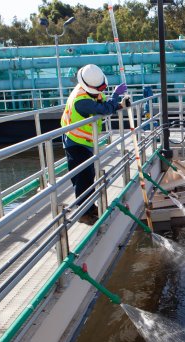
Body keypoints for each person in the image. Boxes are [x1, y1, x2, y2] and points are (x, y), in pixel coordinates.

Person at [61, 64, 128, 225]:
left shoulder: (89, 92)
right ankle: (83, 212)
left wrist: (118, 105)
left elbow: (103, 105)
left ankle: (89, 207)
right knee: (83, 177)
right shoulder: (81, 100)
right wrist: (115, 97)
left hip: (83, 141)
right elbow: (103, 109)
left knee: (87, 176)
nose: (100, 91)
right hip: (75, 141)